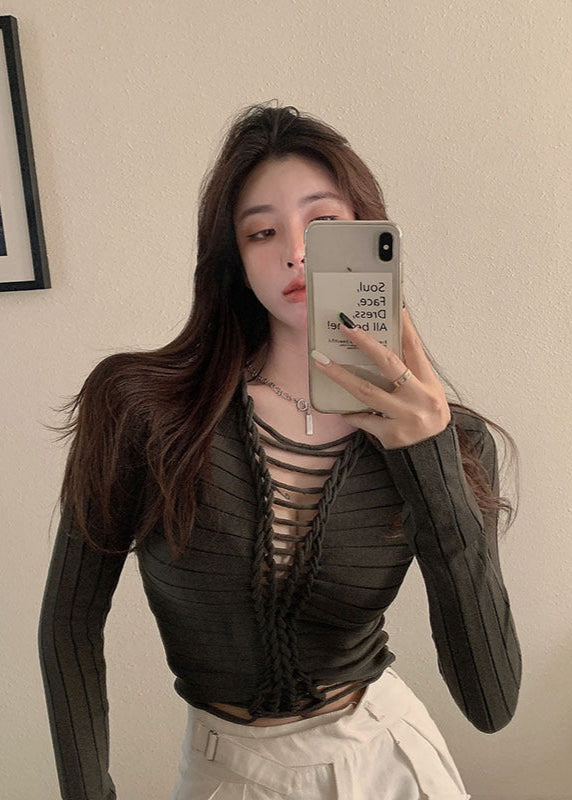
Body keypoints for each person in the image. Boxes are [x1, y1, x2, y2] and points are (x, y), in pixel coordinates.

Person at [38, 102, 522, 800]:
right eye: (263, 232)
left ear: (371, 239)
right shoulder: (138, 409)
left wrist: (430, 457)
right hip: (226, 771)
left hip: (389, 761)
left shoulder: (454, 441)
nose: (297, 252)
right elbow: (70, 625)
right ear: (235, 261)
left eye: (323, 224)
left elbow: (491, 703)